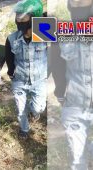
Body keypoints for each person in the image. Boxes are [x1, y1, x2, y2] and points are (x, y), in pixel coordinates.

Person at [56, 0, 93, 169]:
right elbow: (56, 64)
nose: (78, 2)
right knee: (78, 162)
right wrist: (60, 93)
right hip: (75, 103)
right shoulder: (64, 30)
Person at [5, 0, 47, 140]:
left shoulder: (45, 34)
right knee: (20, 109)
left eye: (22, 17)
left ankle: (34, 112)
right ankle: (24, 129)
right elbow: (9, 59)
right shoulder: (12, 38)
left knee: (38, 108)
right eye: (17, 16)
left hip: (40, 80)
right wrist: (11, 73)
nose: (18, 20)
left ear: (33, 19)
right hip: (20, 80)